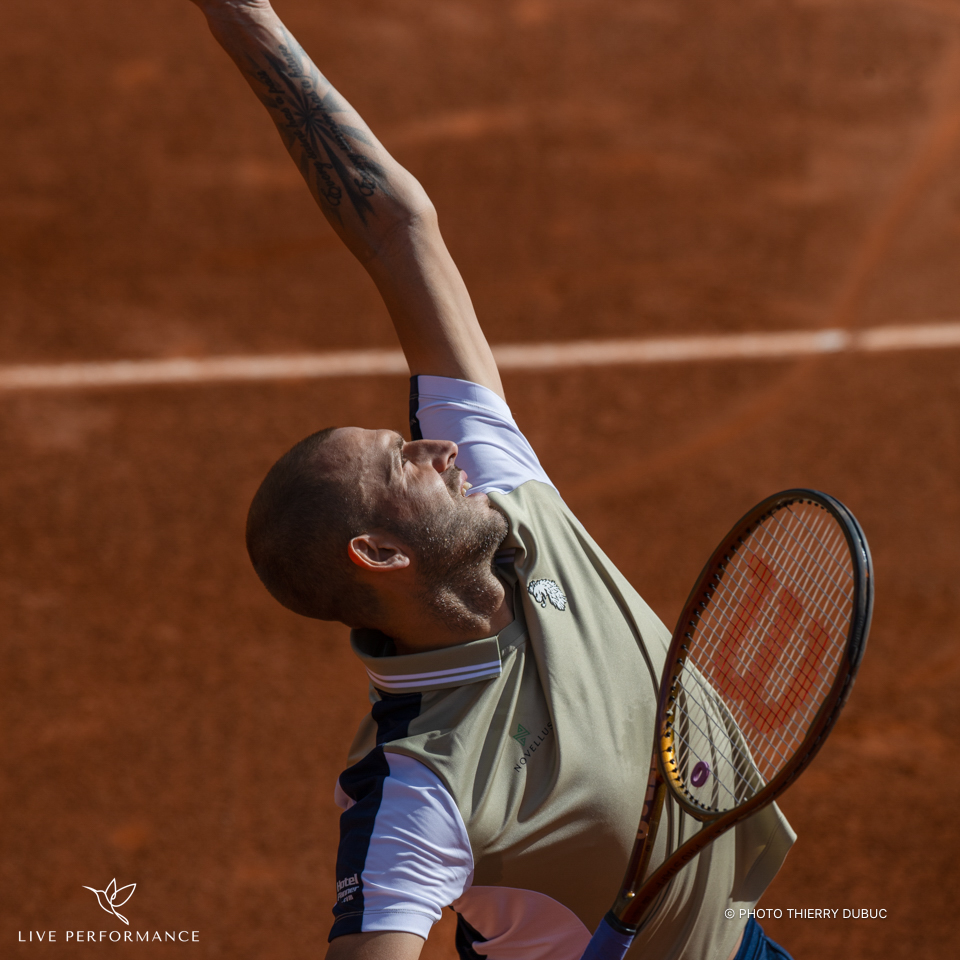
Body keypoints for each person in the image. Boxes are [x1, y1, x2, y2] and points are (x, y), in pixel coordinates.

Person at [189, 3, 798, 958]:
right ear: (379, 552)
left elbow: (399, 230)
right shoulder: (418, 784)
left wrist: (247, 18)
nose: (438, 451)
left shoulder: (505, 499)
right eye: (405, 461)